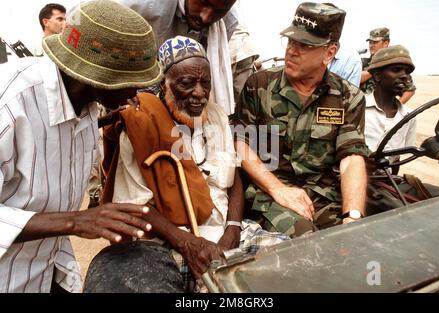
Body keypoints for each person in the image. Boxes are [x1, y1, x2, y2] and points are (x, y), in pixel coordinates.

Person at [83, 36, 288, 293]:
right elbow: (135, 208)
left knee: (297, 262)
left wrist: (233, 230)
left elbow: (234, 178)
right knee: (113, 278)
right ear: (163, 84)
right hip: (163, 245)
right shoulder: (140, 126)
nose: (200, 93)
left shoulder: (216, 116)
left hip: (227, 237)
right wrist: (190, 244)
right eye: (187, 83)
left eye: (206, 83)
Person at [0, 0, 163, 293]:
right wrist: (75, 221)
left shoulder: (86, 106)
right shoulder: (10, 102)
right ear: (99, 73)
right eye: (130, 82)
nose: (136, 93)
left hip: (50, 268)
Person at [231, 2, 369, 238]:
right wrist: (279, 190)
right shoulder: (260, 85)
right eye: (291, 41)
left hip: (323, 195)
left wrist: (353, 216)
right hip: (268, 192)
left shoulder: (348, 97)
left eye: (304, 45)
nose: (292, 51)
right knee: (307, 243)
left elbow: (352, 156)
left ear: (329, 53)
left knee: (355, 241)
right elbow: (240, 144)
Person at [364, 45, 439, 214]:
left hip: (388, 181)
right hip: (360, 181)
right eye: (396, 70)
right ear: (377, 75)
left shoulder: (409, 116)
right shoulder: (357, 109)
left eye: (407, 72)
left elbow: (398, 161)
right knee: (406, 212)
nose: (404, 76)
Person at [119, 0, 238, 115]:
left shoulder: (226, 22)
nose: (206, 17)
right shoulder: (140, 5)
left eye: (219, 11)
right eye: (204, 2)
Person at [360, 27, 416, 104]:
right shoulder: (361, 62)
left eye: (375, 42)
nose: (371, 45)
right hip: (362, 108)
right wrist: (377, 67)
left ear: (386, 43)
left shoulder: (395, 67)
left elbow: (409, 90)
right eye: (370, 42)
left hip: (383, 109)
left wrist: (397, 107)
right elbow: (355, 79)